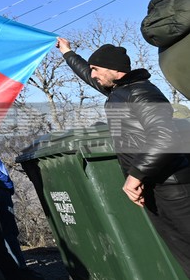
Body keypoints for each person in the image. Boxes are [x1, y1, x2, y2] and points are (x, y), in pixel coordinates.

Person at [57, 37, 190, 276]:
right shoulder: (118, 90)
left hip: (175, 189)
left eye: (96, 68)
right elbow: (89, 76)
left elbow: (164, 137)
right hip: (153, 187)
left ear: (114, 70)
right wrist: (67, 53)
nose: (92, 74)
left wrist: (135, 176)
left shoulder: (141, 93)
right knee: (183, 255)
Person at [0, 134, 28, 270]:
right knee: (8, 231)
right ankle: (19, 268)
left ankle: (18, 266)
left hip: (1, 190)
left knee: (9, 231)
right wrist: (7, 182)